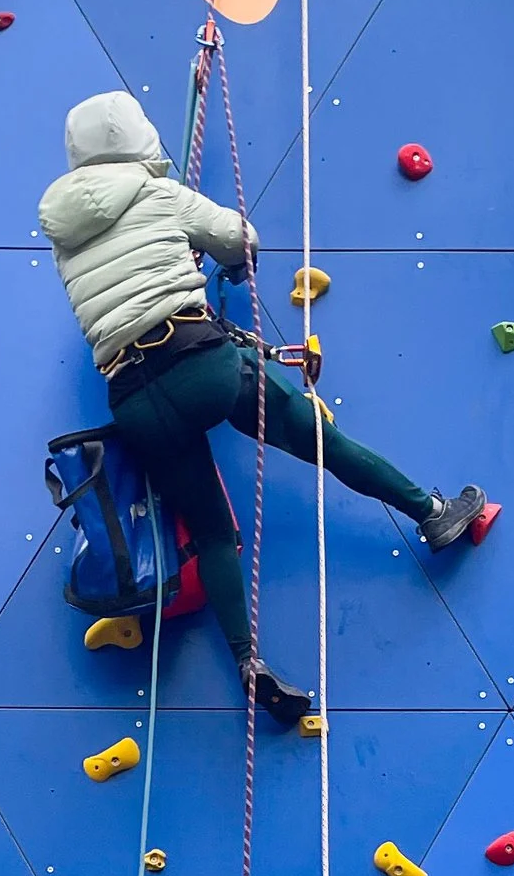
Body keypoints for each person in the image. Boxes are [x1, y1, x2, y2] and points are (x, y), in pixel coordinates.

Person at [39, 93, 489, 727]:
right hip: (199, 361)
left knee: (216, 533)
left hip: (134, 401)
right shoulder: (156, 194)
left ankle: (248, 663)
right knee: (321, 441)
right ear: (136, 136)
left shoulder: (64, 234)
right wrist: (219, 260)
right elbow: (237, 239)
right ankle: (433, 513)